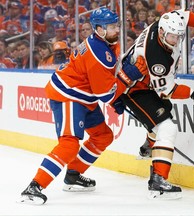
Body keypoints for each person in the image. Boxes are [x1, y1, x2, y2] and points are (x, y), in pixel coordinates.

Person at [19, 7, 148, 205]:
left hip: (84, 95)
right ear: (99, 29)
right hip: (69, 95)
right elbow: (105, 94)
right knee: (69, 143)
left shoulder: (105, 43)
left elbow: (105, 84)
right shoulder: (98, 52)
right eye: (112, 26)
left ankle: (73, 174)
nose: (117, 30)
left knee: (103, 135)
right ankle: (35, 186)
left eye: (116, 25)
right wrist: (126, 77)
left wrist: (117, 96)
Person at [116, 9, 194, 199]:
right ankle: (158, 182)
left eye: (179, 36)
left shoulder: (163, 22)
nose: (176, 40)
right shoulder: (157, 58)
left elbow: (184, 15)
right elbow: (167, 91)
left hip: (143, 84)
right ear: (162, 33)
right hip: (133, 89)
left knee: (165, 112)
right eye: (173, 37)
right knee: (168, 127)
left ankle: (149, 145)